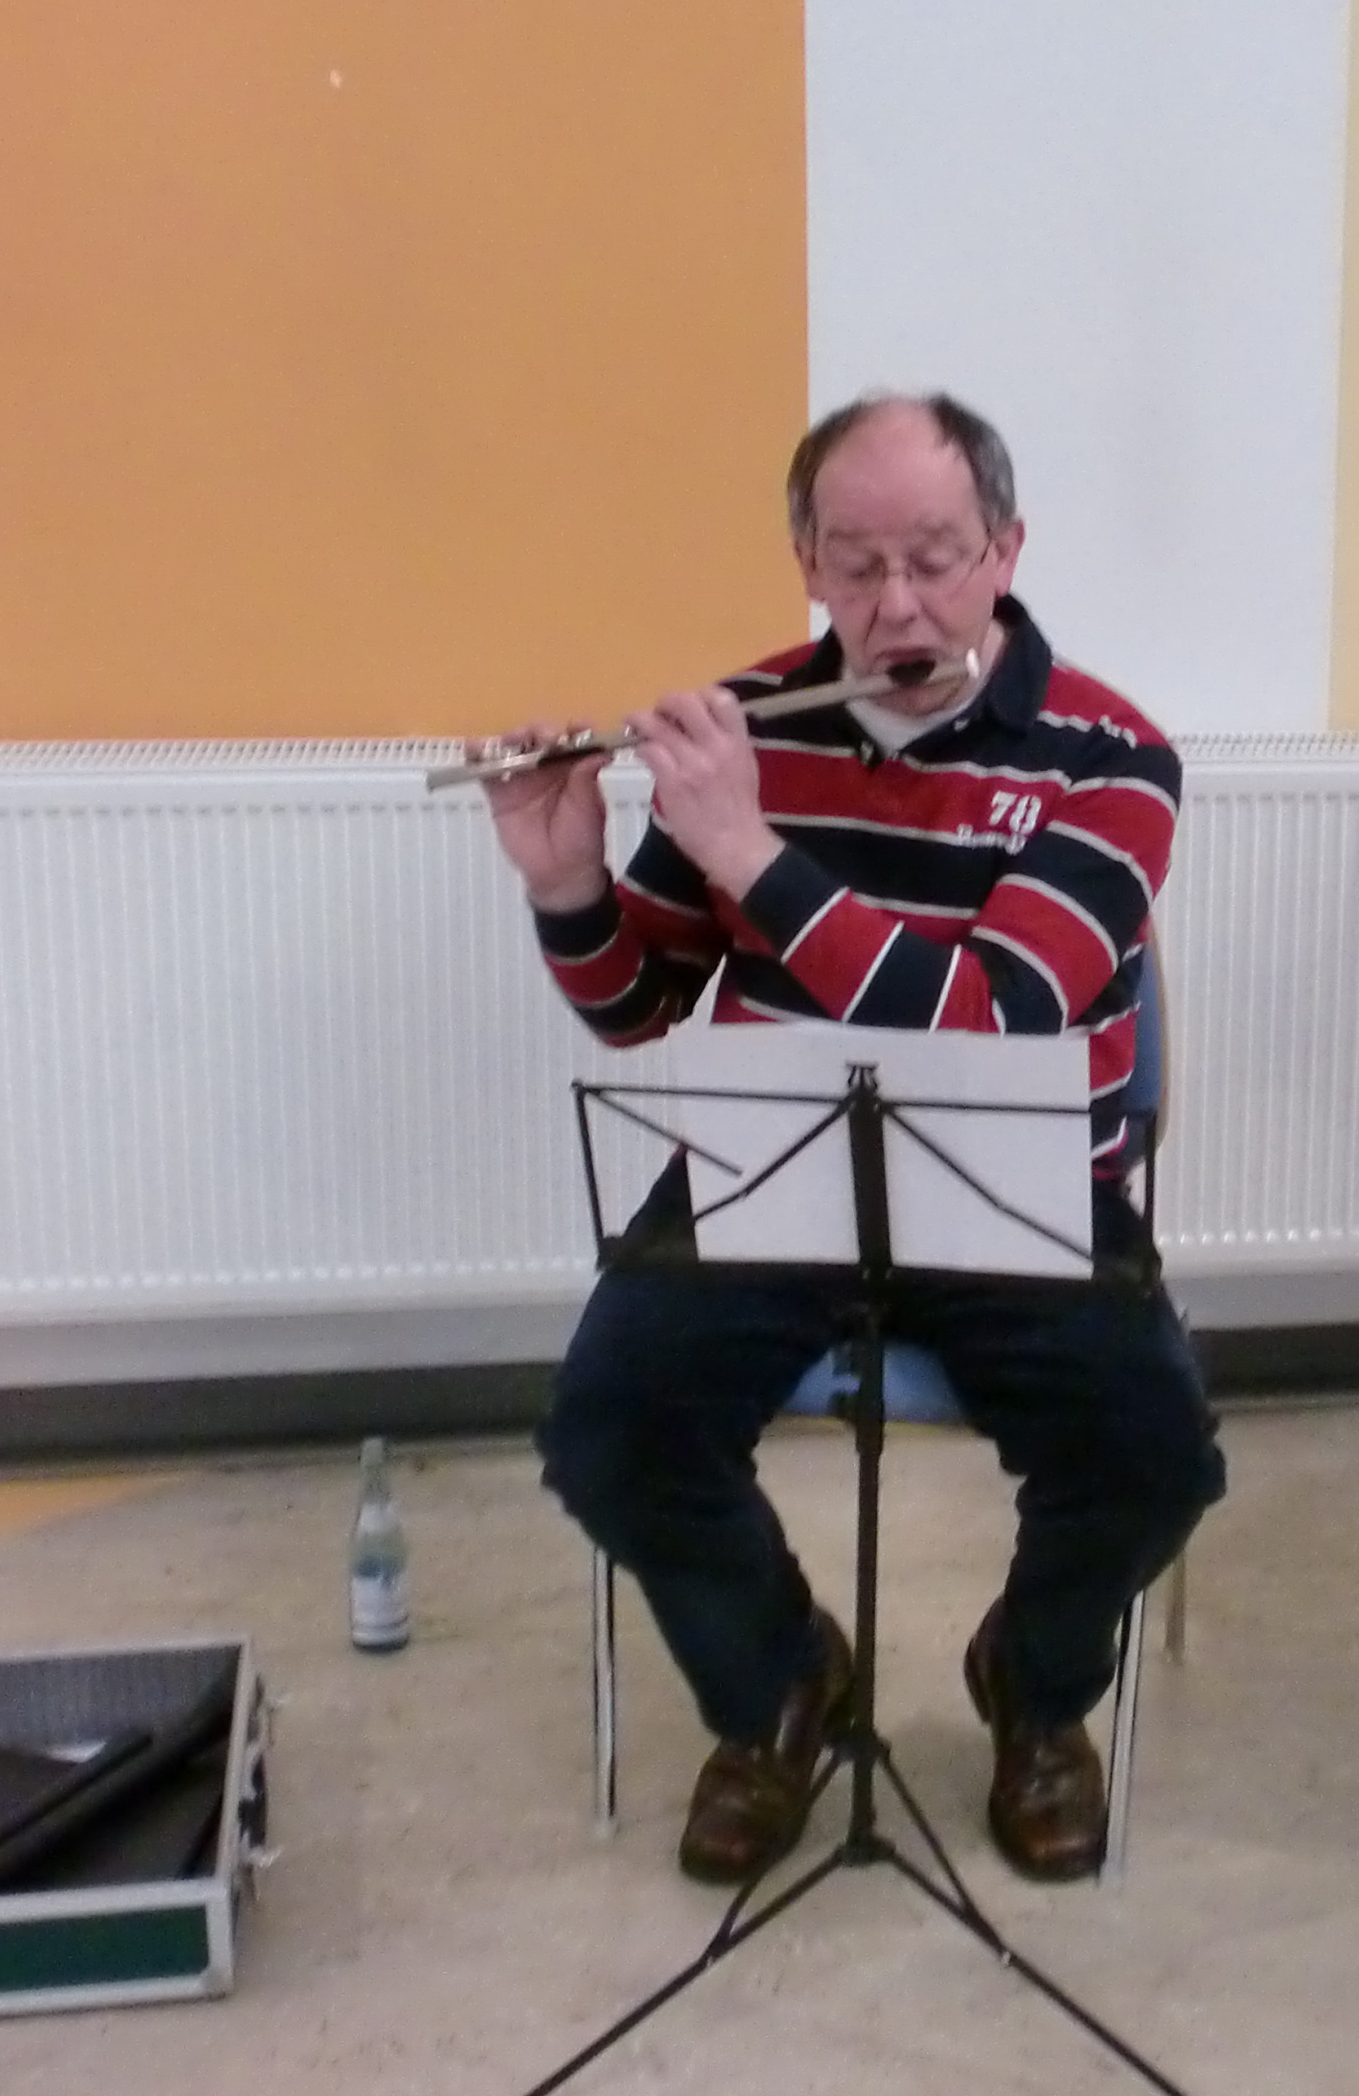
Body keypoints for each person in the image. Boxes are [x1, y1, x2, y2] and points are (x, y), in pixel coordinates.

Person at [485, 392, 1225, 1888]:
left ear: (1005, 550)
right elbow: (638, 1009)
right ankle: (779, 1684)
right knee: (610, 1429)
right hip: (777, 1160)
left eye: (937, 560)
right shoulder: (747, 724)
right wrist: (567, 883)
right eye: (857, 563)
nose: (897, 605)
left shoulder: (1112, 759)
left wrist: (746, 850)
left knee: (1151, 1457)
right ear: (807, 562)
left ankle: (1034, 1684)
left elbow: (993, 1018)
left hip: (1021, 1177)